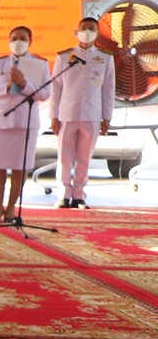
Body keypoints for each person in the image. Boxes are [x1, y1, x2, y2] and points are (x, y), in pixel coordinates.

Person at [0, 26, 49, 224]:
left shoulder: (40, 64)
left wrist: (25, 83)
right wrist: (8, 86)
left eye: (22, 38)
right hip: (0, 121)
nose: (18, 42)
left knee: (20, 167)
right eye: (14, 38)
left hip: (24, 122)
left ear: (30, 41)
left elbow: (44, 94)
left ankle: (11, 207)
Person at [51, 16, 116, 209]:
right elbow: (55, 88)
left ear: (97, 33)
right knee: (64, 156)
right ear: (76, 31)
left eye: (91, 28)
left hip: (92, 113)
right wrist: (53, 116)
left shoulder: (106, 57)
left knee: (84, 156)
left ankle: (79, 194)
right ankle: (64, 193)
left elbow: (108, 88)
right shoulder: (64, 56)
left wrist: (107, 117)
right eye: (84, 28)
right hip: (67, 113)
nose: (87, 31)